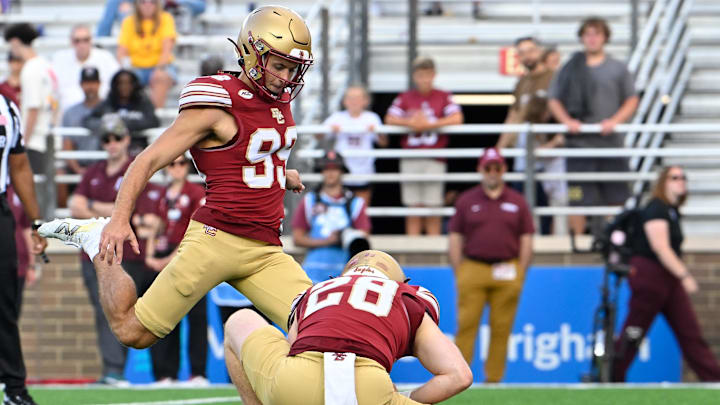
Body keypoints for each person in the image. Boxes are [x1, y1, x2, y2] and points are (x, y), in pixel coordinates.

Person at [40, 9, 314, 403]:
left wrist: (279, 174)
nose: (287, 78)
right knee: (133, 331)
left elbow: (251, 152)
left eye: (294, 69)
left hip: (266, 248)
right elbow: (147, 159)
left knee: (320, 323)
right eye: (280, 65)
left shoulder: (276, 100)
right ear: (254, 54)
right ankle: (97, 244)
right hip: (216, 239)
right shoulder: (217, 101)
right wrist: (118, 221)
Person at [224, 250, 472, 405]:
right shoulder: (408, 297)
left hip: (296, 383)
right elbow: (459, 376)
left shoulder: (314, 292)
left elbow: (293, 347)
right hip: (370, 390)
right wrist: (405, 399)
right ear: (401, 281)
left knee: (240, 319)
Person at [67, 114, 162, 385]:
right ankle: (112, 370)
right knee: (103, 310)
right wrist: (114, 210)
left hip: (127, 255)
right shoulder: (94, 172)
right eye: (106, 139)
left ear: (127, 140)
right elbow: (76, 205)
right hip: (94, 254)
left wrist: (97, 208)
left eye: (117, 138)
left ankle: (121, 370)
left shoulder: (134, 171)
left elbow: (135, 213)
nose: (112, 144)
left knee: (128, 311)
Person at [613, 166, 720, 382]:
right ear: (663, 182)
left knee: (690, 333)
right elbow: (661, 247)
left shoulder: (671, 211)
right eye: (675, 177)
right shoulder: (656, 208)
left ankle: (714, 379)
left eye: (683, 177)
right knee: (634, 332)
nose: (681, 181)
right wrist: (684, 275)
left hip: (667, 280)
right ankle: (611, 376)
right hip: (649, 276)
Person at [448, 147, 534, 383]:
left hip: (507, 268)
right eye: (488, 168)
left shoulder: (517, 202)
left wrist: (520, 271)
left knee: (502, 328)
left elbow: (526, 239)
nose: (492, 172)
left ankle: (494, 381)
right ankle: (458, 378)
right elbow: (455, 237)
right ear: (480, 169)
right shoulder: (467, 200)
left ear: (504, 169)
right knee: (466, 326)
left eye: (497, 167)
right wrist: (460, 270)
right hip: (473, 267)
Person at [548, 17, 638, 236]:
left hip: (610, 145)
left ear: (605, 37)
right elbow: (553, 99)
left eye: (596, 33)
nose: (592, 38)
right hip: (578, 146)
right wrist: (567, 121)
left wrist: (615, 121)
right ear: (581, 37)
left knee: (614, 197)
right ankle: (576, 245)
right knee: (578, 198)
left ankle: (612, 241)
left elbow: (632, 99)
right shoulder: (569, 69)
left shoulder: (618, 68)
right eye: (587, 34)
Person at [0, 93, 47, 405]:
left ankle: (14, 388)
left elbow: (19, 166)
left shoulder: (6, 107)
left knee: (3, 302)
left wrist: (36, 222)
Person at [145, 154, 208, 384]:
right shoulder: (163, 194)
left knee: (196, 316)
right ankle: (165, 373)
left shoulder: (195, 193)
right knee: (165, 314)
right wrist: (151, 253)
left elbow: (194, 230)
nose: (177, 168)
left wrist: (171, 258)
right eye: (172, 163)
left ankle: (198, 372)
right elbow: (157, 225)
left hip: (189, 255)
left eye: (182, 163)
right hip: (165, 254)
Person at [385, 56, 463, 236]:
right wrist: (410, 122)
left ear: (434, 75)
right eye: (420, 75)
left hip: (434, 157)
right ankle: (413, 245)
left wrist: (427, 124)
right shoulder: (406, 97)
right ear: (414, 76)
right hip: (411, 156)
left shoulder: (443, 96)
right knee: (413, 206)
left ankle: (432, 246)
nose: (424, 80)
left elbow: (457, 118)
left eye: (427, 75)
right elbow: (390, 118)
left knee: (433, 206)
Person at [496, 37, 565, 235]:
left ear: (540, 51)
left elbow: (567, 111)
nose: (527, 55)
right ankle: (530, 241)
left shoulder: (555, 77)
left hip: (552, 152)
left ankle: (558, 244)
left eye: (531, 50)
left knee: (557, 203)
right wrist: (499, 150)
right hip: (526, 152)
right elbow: (514, 117)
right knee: (526, 201)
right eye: (522, 52)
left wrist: (555, 143)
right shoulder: (521, 83)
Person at [292, 151, 371, 283]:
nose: (330, 173)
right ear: (321, 172)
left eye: (335, 169)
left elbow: (363, 240)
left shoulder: (356, 203)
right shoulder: (309, 200)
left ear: (342, 172)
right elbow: (297, 238)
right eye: (326, 169)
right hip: (312, 273)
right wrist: (329, 240)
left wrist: (345, 235)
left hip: (344, 275)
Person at [4, 23, 59, 175]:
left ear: (15, 42)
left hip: (34, 140)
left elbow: (33, 108)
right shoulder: (46, 66)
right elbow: (55, 103)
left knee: (33, 191)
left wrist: (23, 143)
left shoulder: (30, 70)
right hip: (48, 135)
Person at [318, 85, 387, 204]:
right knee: (340, 208)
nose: (354, 101)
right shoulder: (338, 117)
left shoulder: (372, 118)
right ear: (344, 101)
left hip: (364, 171)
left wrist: (377, 132)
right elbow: (317, 135)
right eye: (350, 98)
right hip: (342, 172)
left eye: (357, 98)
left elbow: (383, 143)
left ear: (366, 101)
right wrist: (330, 129)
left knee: (361, 209)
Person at [117, 0, 178, 108]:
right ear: (137, 4)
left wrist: (159, 69)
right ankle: (130, 115)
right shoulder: (128, 22)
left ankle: (154, 117)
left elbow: (167, 49)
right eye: (143, 2)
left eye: (152, 2)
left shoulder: (166, 18)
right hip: (136, 68)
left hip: (161, 66)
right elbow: (122, 52)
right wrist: (127, 71)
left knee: (160, 77)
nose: (148, 5)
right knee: (125, 79)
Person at [84, 69, 160, 153]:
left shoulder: (143, 102)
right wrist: (110, 124)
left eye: (128, 83)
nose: (124, 87)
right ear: (115, 85)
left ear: (134, 85)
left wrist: (126, 123)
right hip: (111, 151)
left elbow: (153, 121)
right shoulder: (108, 103)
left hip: (137, 149)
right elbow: (88, 121)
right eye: (120, 83)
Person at [52, 24, 119, 114]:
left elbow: (117, 83)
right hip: (68, 114)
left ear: (91, 40)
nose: (82, 44)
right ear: (71, 42)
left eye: (85, 40)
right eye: (77, 41)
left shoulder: (105, 58)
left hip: (100, 112)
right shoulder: (59, 59)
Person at [63, 67, 104, 176]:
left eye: (93, 82)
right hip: (79, 166)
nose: (90, 87)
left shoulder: (109, 108)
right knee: (59, 173)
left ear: (99, 83)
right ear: (81, 84)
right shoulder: (70, 112)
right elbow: (67, 146)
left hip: (106, 166)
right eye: (86, 83)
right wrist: (78, 170)